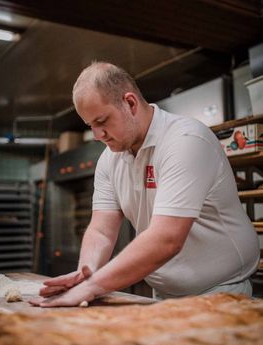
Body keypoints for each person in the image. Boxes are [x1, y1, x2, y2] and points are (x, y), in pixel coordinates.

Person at [30, 61, 260, 308]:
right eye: (91, 127)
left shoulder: (185, 141)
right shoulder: (109, 160)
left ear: (130, 103)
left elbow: (167, 238)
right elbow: (101, 231)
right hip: (162, 297)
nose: (97, 135)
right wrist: (84, 275)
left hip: (222, 294)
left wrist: (93, 286)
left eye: (102, 121)